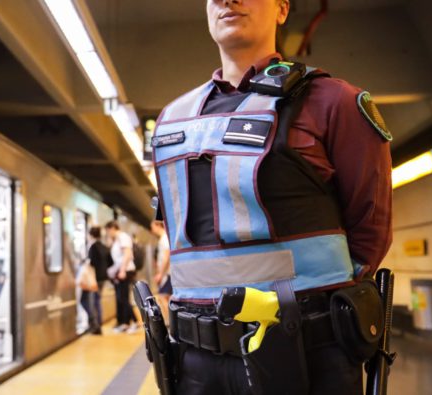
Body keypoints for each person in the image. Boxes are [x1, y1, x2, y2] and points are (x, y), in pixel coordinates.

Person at [148, 0, 393, 394]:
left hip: (304, 353)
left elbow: (370, 231)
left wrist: (316, 303)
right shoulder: (172, 119)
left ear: (282, 9)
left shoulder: (334, 103)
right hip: (192, 360)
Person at [105, 220, 138, 334]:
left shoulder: (123, 237)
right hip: (120, 271)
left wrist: (122, 270)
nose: (108, 234)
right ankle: (126, 323)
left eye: (108, 231)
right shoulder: (117, 240)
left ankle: (133, 322)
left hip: (125, 270)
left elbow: (127, 254)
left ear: (112, 228)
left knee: (123, 298)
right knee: (121, 298)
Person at [82, 226, 110, 334]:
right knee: (97, 301)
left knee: (89, 301)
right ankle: (98, 324)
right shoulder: (103, 246)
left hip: (94, 279)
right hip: (103, 278)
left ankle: (95, 326)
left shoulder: (93, 247)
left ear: (91, 235)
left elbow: (91, 263)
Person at [150, 220, 172, 321]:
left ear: (158, 225)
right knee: (165, 298)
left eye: (153, 226)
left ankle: (169, 324)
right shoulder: (163, 238)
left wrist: (161, 274)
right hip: (166, 274)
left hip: (167, 274)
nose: (152, 229)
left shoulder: (164, 238)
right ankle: (170, 323)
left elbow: (167, 257)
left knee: (163, 297)